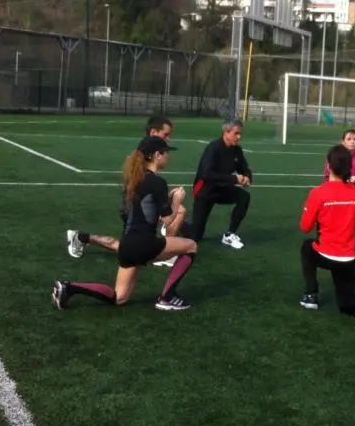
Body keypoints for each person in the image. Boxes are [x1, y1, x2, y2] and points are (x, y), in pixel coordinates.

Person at [52, 135, 199, 312]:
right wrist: (176, 201)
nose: (168, 156)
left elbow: (146, 211)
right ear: (156, 155)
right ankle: (167, 298)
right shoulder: (158, 181)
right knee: (191, 246)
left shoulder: (133, 180)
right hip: (144, 242)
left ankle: (69, 287)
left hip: (127, 244)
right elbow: (167, 220)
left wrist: (167, 201)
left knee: (119, 297)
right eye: (165, 152)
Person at [65, 115, 181, 267]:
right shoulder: (145, 154)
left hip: (135, 204)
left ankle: (82, 238)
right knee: (134, 245)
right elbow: (144, 185)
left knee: (129, 245)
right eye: (166, 134)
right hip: (135, 204)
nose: (169, 139)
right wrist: (173, 201)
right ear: (153, 133)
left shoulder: (142, 155)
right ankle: (165, 255)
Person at [300, 144, 355, 327]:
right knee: (346, 306)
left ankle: (311, 295)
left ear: (328, 165)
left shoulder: (318, 192)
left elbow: (305, 227)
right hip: (348, 260)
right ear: (349, 167)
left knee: (306, 247)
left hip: (325, 254)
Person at [188, 118, 252, 249]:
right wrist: (234, 179)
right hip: (205, 191)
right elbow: (207, 174)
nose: (239, 137)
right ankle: (174, 223)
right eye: (236, 133)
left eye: (240, 134)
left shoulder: (236, 150)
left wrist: (247, 177)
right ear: (226, 132)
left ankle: (229, 235)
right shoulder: (213, 148)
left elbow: (245, 168)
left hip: (223, 190)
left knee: (244, 196)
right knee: (195, 236)